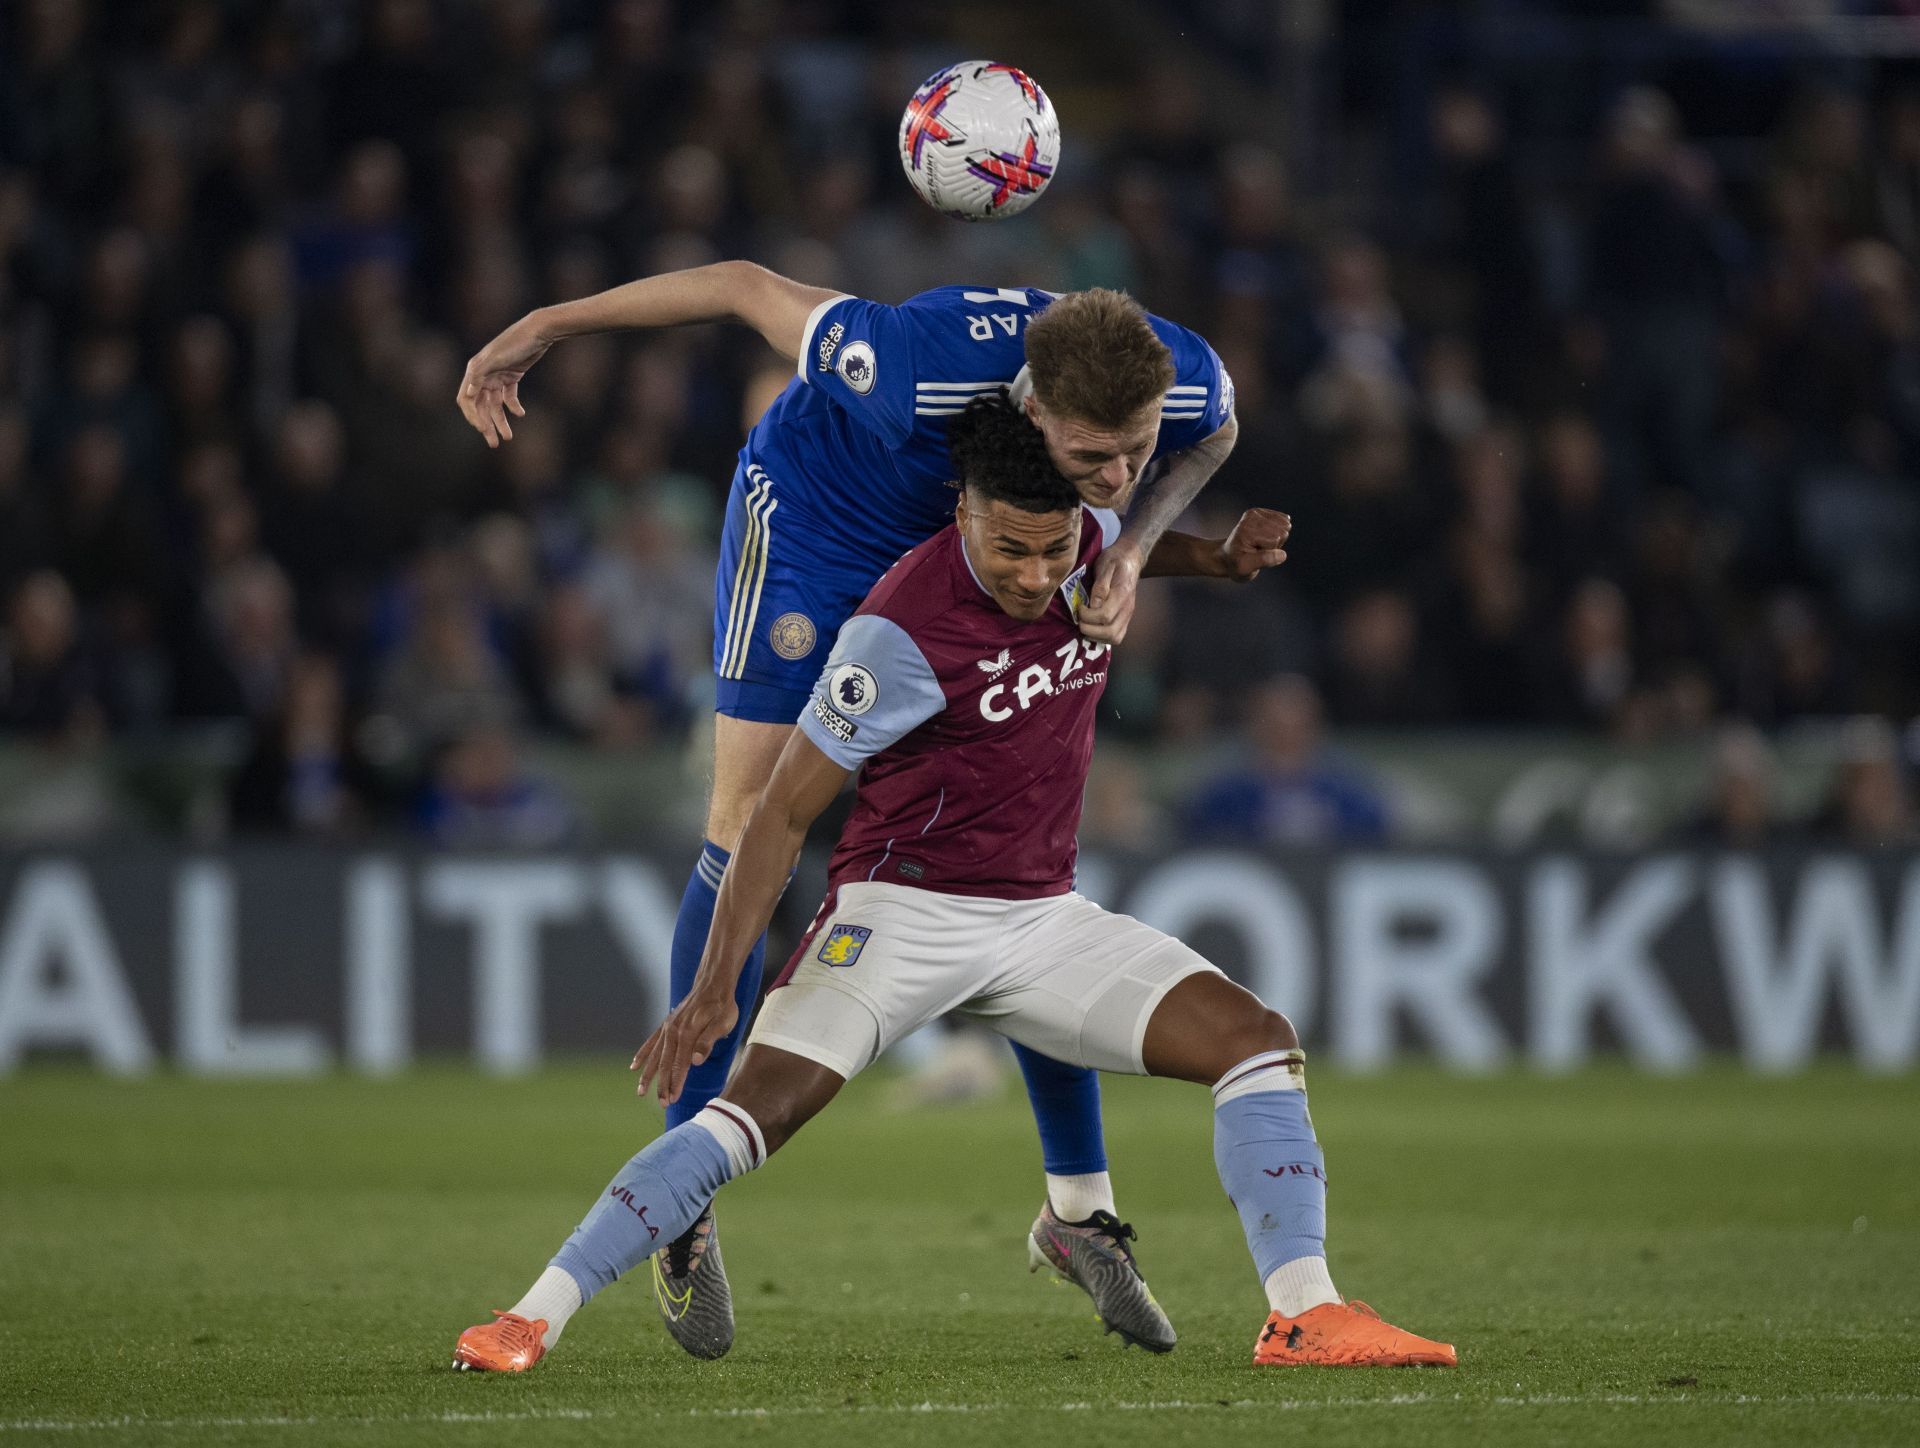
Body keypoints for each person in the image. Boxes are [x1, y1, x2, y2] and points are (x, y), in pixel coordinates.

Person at [451, 396, 1452, 1373]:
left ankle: (1303, 1313)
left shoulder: (1085, 533)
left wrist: (1214, 557)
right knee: (741, 1126)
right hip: (898, 918)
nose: (1034, 574)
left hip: (1041, 919)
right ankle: (531, 1313)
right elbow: (781, 815)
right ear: (961, 511)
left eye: (1053, 551)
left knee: (1257, 1043)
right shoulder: (895, 634)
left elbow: (1125, 542)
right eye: (1008, 548)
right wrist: (718, 985)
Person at [458, 264, 1240, 1355]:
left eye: (1134, 449)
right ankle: (685, 1201)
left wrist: (1143, 545)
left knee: (1011, 877)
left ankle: (1078, 1214)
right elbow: (740, 285)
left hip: (983, 542)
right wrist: (541, 320)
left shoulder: (1172, 374)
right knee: (742, 819)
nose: (1121, 472)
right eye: (1096, 456)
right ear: (1031, 409)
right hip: (817, 538)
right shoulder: (905, 364)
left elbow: (1217, 431)